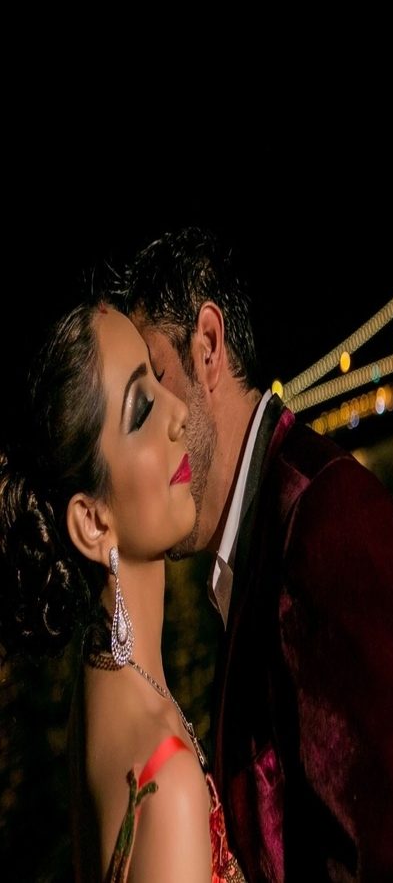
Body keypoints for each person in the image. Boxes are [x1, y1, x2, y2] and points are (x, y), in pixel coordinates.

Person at [113, 226, 393, 881]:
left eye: (154, 384)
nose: (151, 432)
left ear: (208, 346)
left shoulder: (329, 525)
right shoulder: (258, 539)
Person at [0, 300, 245, 882]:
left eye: (158, 383)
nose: (179, 413)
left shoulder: (95, 694)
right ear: (92, 522)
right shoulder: (168, 787)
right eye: (141, 410)